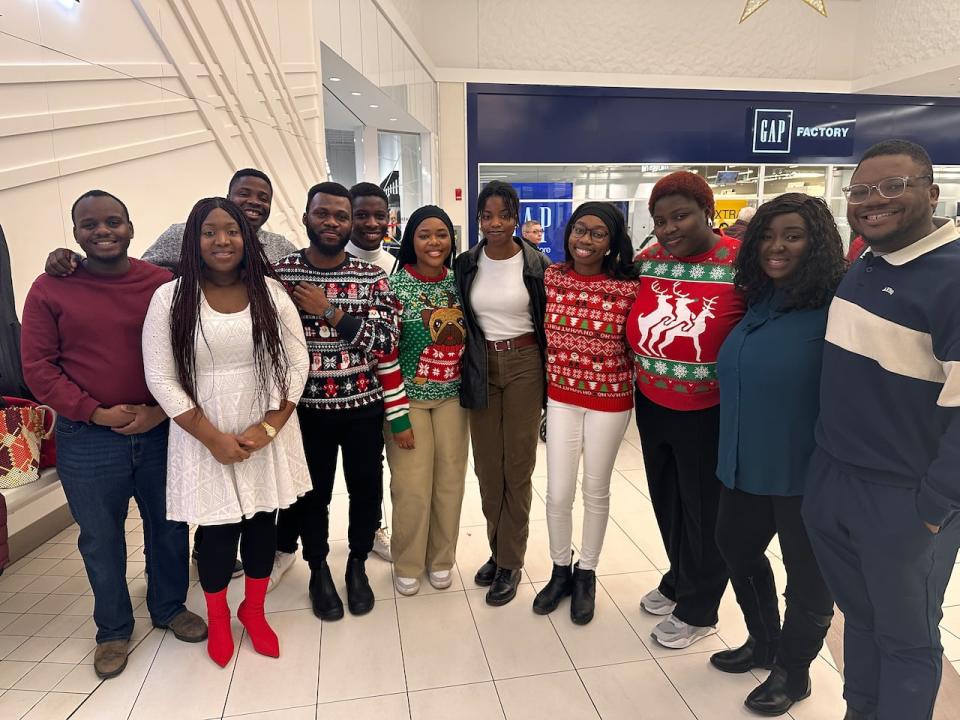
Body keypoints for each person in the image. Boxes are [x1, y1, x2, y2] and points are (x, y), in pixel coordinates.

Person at [802, 140, 960, 720]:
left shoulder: (953, 275)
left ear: (931, 191)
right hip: (835, 480)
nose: (873, 202)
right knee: (860, 619)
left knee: (907, 638)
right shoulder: (866, 262)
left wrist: (935, 505)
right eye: (861, 191)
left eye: (893, 187)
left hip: (904, 498)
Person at [21, 190, 207, 680]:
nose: (102, 231)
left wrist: (159, 414)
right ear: (76, 233)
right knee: (101, 539)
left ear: (130, 226)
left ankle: (168, 608)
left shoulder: (161, 283)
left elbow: (188, 353)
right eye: (89, 225)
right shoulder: (50, 287)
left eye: (112, 222)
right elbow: (38, 367)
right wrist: (95, 412)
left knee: (168, 528)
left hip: (159, 431)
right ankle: (112, 630)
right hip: (88, 437)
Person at [142, 197, 310, 667]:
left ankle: (253, 611)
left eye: (232, 231)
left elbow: (298, 362)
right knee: (216, 534)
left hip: (264, 430)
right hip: (202, 432)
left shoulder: (272, 294)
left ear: (246, 237)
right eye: (210, 231)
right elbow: (160, 375)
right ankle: (218, 618)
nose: (222, 240)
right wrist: (212, 437)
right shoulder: (170, 299)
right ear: (193, 240)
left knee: (261, 526)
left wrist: (271, 425)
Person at [712, 193, 845, 716]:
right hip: (744, 462)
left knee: (808, 575)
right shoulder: (759, 300)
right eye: (767, 235)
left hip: (805, 470)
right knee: (735, 547)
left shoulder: (835, 305)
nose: (776, 246)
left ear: (816, 243)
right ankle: (763, 641)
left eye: (792, 235)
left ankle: (794, 670)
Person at [626, 171, 745, 648]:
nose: (670, 228)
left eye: (681, 216)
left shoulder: (741, 262)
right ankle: (679, 576)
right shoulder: (650, 260)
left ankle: (700, 608)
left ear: (707, 213)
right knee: (667, 500)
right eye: (660, 220)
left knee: (703, 510)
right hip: (652, 400)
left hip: (707, 409)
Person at [272, 182, 401, 620]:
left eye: (341, 216)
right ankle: (317, 569)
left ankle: (357, 564)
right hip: (303, 411)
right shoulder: (281, 274)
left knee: (366, 490)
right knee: (313, 496)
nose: (332, 222)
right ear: (306, 217)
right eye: (323, 213)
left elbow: (385, 341)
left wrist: (331, 312)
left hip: (363, 407)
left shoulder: (372, 278)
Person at [531, 202, 639, 625]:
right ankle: (560, 570)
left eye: (598, 233)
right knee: (558, 491)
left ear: (612, 241)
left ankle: (587, 573)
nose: (586, 240)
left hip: (610, 400)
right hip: (561, 395)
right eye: (580, 230)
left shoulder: (629, 285)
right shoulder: (552, 277)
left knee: (596, 490)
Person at [455, 180, 550, 607]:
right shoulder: (466, 263)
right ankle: (497, 549)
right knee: (488, 469)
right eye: (487, 215)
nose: (495, 223)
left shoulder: (537, 264)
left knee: (518, 466)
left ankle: (511, 560)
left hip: (525, 365)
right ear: (479, 219)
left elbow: (549, 322)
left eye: (504, 215)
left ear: (517, 217)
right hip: (480, 366)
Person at [383, 205, 468, 596]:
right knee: (412, 487)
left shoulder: (460, 283)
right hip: (409, 401)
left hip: (453, 399)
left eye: (442, 234)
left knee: (450, 483)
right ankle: (408, 562)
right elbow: (385, 354)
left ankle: (441, 559)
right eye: (424, 235)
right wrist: (398, 417)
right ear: (410, 241)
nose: (434, 242)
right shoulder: (395, 288)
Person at [44, 169, 297, 276]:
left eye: (263, 198)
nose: (254, 202)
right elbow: (135, 272)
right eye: (244, 194)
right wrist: (76, 260)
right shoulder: (184, 234)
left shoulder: (280, 247)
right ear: (228, 197)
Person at [346, 181, 402, 563]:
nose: (370, 223)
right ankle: (293, 544)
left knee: (371, 468)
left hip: (383, 387)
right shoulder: (327, 259)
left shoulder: (397, 264)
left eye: (379, 216)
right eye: (361, 214)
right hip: (328, 388)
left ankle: (372, 529)